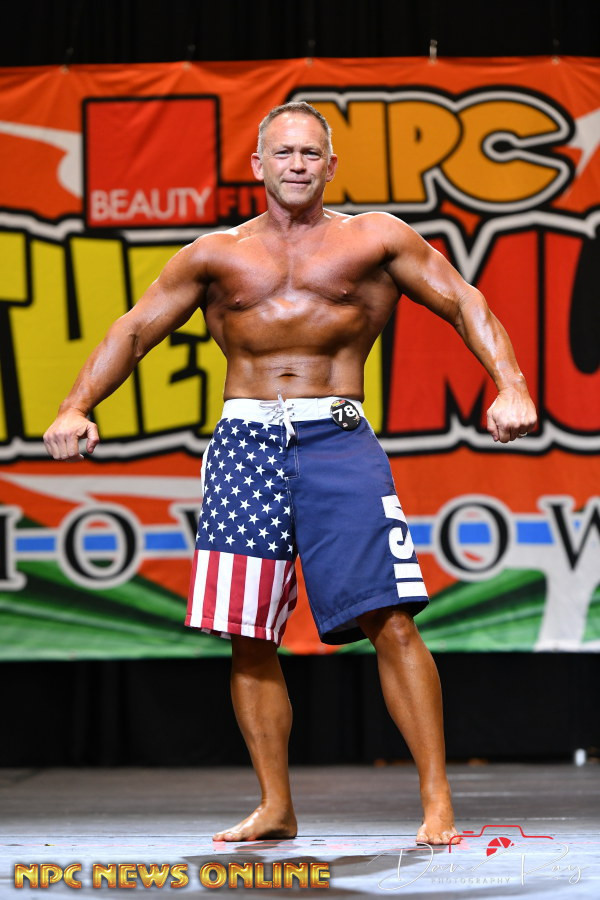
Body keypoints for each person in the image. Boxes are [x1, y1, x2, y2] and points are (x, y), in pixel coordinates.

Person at [44, 101, 537, 846]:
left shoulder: (375, 239)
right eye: (284, 152)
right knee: (247, 633)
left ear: (331, 165)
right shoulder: (215, 254)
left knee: (390, 619)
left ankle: (437, 802)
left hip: (337, 439)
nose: (297, 164)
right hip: (244, 446)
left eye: (310, 153)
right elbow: (136, 329)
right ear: (259, 165)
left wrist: (511, 385)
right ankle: (276, 805)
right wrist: (76, 405)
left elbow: (464, 302)